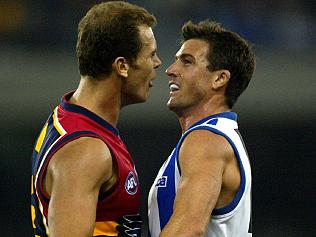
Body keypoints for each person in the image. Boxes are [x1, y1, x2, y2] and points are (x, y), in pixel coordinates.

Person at [30, 1, 161, 237]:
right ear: (122, 66)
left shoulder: (69, 119)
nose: (158, 63)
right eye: (151, 54)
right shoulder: (86, 151)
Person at [148, 20, 255, 237]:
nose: (170, 70)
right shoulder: (216, 136)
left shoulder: (207, 140)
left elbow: (188, 230)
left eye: (186, 62)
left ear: (219, 78)